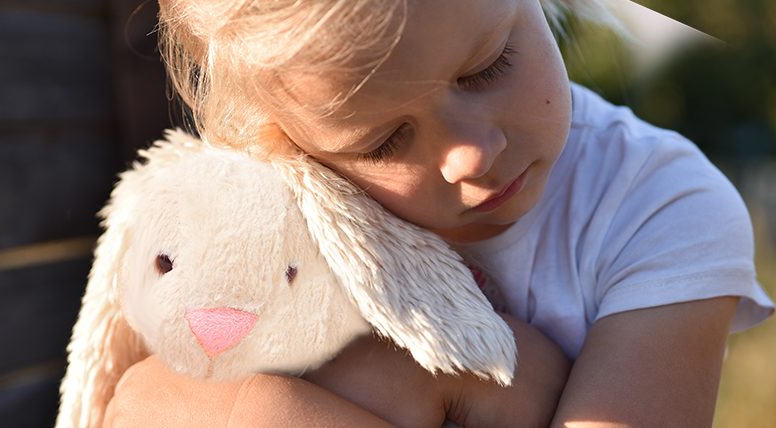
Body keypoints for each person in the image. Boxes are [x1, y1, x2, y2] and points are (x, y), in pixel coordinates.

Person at [104, 0, 774, 426]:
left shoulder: (658, 207)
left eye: (487, 67)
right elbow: (142, 402)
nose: (473, 155)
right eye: (384, 140)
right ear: (281, 145)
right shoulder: (262, 218)